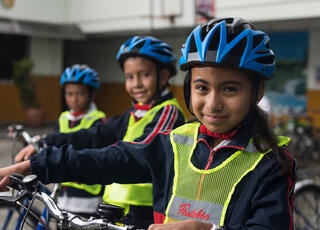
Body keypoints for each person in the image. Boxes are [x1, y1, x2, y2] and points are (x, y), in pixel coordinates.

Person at [0, 18, 296, 230]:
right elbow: (111, 158)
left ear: (257, 92)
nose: (212, 103)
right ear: (189, 88)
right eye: (202, 88)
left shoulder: (271, 162)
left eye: (230, 89)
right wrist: (36, 165)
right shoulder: (176, 143)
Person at [14, 36, 186, 228]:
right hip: (118, 209)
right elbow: (93, 136)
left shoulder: (167, 112)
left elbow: (130, 155)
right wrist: (45, 141)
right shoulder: (132, 113)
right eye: (129, 77)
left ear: (163, 76)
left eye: (144, 75)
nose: (136, 83)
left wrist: (58, 162)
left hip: (145, 211)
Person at [52, 64, 108, 217]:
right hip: (64, 196)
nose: (74, 99)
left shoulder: (99, 120)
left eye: (80, 94)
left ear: (91, 94)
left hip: (90, 199)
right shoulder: (63, 118)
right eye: (69, 94)